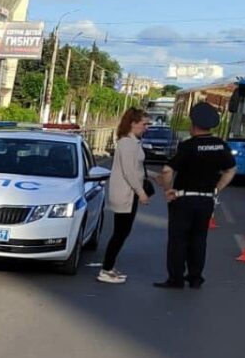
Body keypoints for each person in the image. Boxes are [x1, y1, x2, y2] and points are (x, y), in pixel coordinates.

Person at [155, 101, 237, 289]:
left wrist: (168, 190)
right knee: (199, 239)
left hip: (184, 199)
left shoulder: (188, 146)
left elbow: (167, 171)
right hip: (206, 200)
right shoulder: (220, 146)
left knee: (178, 240)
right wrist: (216, 189)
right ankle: (195, 278)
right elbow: (231, 170)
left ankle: (176, 279)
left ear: (193, 125)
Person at [98, 108, 151, 284]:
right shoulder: (127, 143)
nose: (146, 127)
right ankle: (106, 269)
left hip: (128, 193)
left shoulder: (132, 142)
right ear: (133, 123)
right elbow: (129, 171)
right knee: (120, 232)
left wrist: (153, 176)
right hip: (125, 194)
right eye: (144, 124)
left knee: (122, 232)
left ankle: (109, 266)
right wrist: (141, 192)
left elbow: (136, 168)